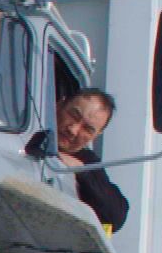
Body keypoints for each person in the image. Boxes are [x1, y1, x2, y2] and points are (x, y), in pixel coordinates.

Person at [46, 89, 130, 232]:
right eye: (73, 115)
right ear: (60, 104)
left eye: (87, 129)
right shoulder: (22, 127)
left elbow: (115, 216)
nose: (73, 130)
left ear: (96, 136)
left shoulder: (86, 162)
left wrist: (81, 172)